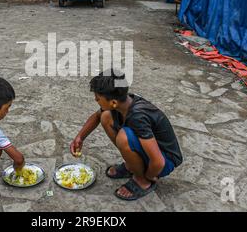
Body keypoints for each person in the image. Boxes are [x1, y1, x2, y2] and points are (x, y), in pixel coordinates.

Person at [70, 69, 183, 201]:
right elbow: (97, 116)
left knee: (124, 137)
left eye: (98, 98)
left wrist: (149, 176)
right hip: (153, 155)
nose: (96, 100)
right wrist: (80, 137)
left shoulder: (138, 117)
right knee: (106, 116)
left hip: (165, 161)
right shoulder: (123, 101)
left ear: (113, 102)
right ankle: (133, 165)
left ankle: (142, 181)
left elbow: (158, 161)